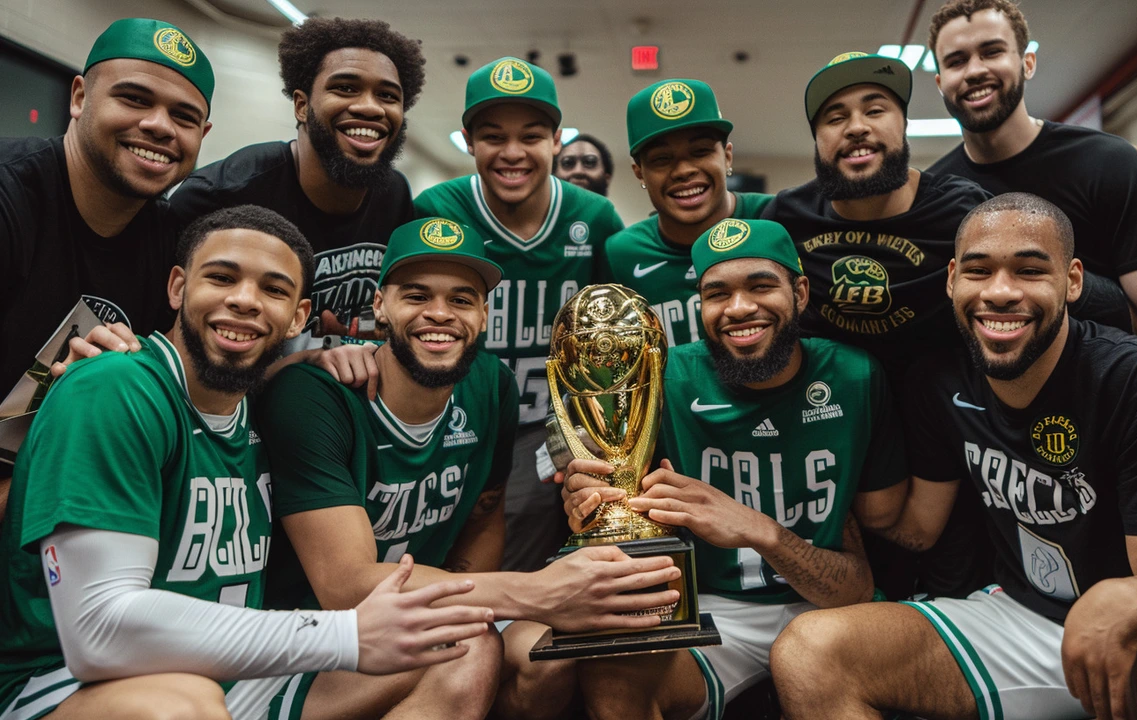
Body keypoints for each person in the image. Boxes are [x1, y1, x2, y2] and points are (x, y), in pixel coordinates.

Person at [770, 192, 1137, 720]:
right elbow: (918, 527)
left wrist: (1123, 601)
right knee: (809, 651)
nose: (1001, 292)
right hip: (1016, 616)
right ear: (951, 280)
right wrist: (805, 511)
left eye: (1031, 270)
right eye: (978, 270)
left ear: (1073, 281)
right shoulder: (939, 381)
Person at [0, 205, 495, 720]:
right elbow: (101, 632)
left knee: (459, 647)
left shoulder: (259, 403)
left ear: (298, 317)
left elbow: (257, 372)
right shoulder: (115, 386)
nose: (244, 301)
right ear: (177, 287)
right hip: (75, 682)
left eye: (274, 290)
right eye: (221, 278)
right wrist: (344, 635)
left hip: (232, 673)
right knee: (179, 707)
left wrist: (310, 360)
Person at [256, 217, 683, 720]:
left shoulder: (490, 385)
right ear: (380, 306)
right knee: (470, 648)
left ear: (483, 314)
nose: (439, 314)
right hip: (310, 635)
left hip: (418, 621)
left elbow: (484, 515)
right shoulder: (317, 396)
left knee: (554, 654)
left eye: (460, 300)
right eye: (416, 296)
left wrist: (475, 607)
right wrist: (537, 591)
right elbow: (346, 583)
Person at [925, 0, 1137, 538]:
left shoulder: (1105, 163)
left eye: (993, 51)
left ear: (1026, 63)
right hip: (1006, 456)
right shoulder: (938, 195)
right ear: (940, 79)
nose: (976, 70)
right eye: (958, 60)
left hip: (1127, 427)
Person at [560, 218, 906, 719]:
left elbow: (855, 583)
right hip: (711, 607)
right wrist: (591, 503)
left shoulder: (854, 375)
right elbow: (617, 504)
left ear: (801, 291)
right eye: (717, 293)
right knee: (610, 669)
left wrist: (759, 530)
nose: (740, 308)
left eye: (762, 286)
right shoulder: (663, 379)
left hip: (827, 608)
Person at [763, 50, 993, 599]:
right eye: (834, 117)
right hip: (838, 444)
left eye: (876, 109)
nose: (857, 127)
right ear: (817, 138)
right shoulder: (783, 219)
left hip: (950, 444)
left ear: (904, 124)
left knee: (948, 614)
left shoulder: (965, 213)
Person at [413, 57, 624, 573]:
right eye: (492, 137)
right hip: (453, 425)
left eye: (530, 136)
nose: (512, 153)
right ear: (468, 140)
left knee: (534, 574)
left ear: (557, 140)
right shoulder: (435, 208)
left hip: (552, 430)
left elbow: (617, 344)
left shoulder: (593, 219)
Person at [0, 17, 214, 410]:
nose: (159, 126)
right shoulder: (10, 198)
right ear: (80, 98)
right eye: (134, 98)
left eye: (184, 117)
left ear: (203, 135)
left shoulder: (172, 244)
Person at [170, 17, 422, 348]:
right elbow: (171, 336)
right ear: (301, 106)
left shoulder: (395, 196)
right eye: (345, 87)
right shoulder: (222, 194)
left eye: (388, 95)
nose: (369, 107)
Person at [603, 79, 771, 348]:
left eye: (700, 152)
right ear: (639, 173)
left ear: (727, 157)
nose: (683, 170)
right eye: (661, 159)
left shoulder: (774, 218)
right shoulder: (620, 254)